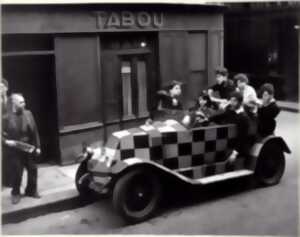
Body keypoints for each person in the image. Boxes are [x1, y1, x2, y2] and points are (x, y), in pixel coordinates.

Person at [2, 93, 41, 204]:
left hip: (28, 147)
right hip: (15, 150)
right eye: (21, 102)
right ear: (14, 103)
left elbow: (35, 132)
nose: (24, 104)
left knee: (33, 169)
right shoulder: (6, 117)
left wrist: (38, 147)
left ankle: (31, 190)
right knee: (17, 173)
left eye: (24, 101)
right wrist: (6, 141)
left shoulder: (28, 114)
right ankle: (15, 193)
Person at [209, 91, 251, 163]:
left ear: (240, 102)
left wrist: (234, 153)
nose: (231, 103)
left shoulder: (244, 118)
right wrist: (208, 119)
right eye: (231, 100)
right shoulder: (230, 110)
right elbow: (220, 116)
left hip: (237, 148)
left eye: (234, 101)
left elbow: (242, 138)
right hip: (226, 143)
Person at [1, 78, 12, 187]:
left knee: (11, 157)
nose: (0, 90)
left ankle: (9, 181)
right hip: (1, 133)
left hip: (11, 132)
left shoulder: (10, 100)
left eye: (2, 87)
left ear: (6, 88)